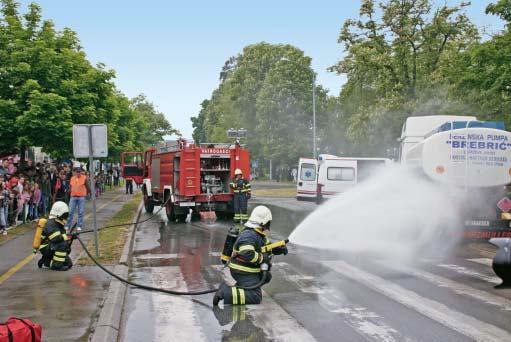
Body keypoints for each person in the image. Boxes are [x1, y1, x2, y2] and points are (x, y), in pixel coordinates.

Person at [213, 205, 288, 306]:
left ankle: (242, 287)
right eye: (268, 222)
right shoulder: (249, 235)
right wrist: (262, 258)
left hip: (248, 270)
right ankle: (225, 293)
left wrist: (276, 249)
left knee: (266, 277)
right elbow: (247, 253)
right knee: (255, 296)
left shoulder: (258, 233)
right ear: (263, 222)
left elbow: (264, 248)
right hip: (242, 271)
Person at [37, 201, 73, 270]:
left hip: (51, 246)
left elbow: (62, 237)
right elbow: (56, 238)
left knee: (69, 264)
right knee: (62, 244)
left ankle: (46, 261)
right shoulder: (51, 224)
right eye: (64, 215)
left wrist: (71, 238)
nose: (65, 217)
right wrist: (67, 236)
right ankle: (56, 265)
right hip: (45, 246)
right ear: (58, 213)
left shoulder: (58, 222)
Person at [65, 168, 90, 232]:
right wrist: (68, 190)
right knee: (70, 212)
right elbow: (71, 186)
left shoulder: (84, 178)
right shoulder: (72, 178)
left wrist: (89, 192)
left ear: (81, 172)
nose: (78, 173)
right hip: (73, 197)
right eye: (77, 172)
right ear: (75, 172)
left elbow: (87, 186)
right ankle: (67, 225)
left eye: (79, 172)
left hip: (81, 197)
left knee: (80, 212)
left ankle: (79, 225)